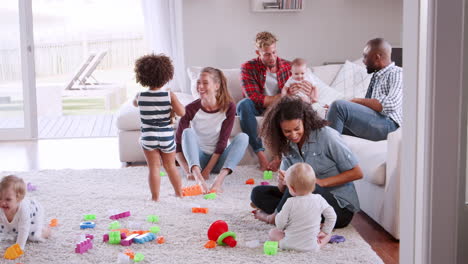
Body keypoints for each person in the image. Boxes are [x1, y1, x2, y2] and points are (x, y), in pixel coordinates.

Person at [250, 96, 363, 228]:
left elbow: (357, 173)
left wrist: (320, 182)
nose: (293, 135)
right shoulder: (286, 144)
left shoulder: (327, 136)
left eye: (297, 128)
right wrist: (282, 183)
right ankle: (298, 219)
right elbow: (285, 190)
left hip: (338, 208)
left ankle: (274, 218)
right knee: (258, 193)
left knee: (306, 186)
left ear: (305, 121)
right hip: (307, 200)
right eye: (287, 131)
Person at [237, 31, 316, 171]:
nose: (272, 57)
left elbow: (302, 88)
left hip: (281, 108)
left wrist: (307, 92)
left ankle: (280, 157)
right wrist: (283, 96)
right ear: (258, 52)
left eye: (274, 52)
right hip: (257, 107)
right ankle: (261, 156)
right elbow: (254, 98)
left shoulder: (288, 66)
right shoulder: (247, 68)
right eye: (267, 54)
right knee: (243, 105)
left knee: (294, 108)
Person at [176, 67, 249, 194]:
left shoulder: (229, 107)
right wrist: (189, 171)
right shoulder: (190, 109)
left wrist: (208, 170)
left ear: (216, 86)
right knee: (187, 132)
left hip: (219, 159)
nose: (200, 86)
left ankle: (218, 182)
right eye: (198, 82)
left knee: (243, 137)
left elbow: (222, 143)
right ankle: (200, 181)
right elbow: (177, 145)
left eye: (205, 82)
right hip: (197, 161)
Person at [326, 38, 402, 141]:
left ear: (377, 57)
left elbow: (391, 104)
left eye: (365, 56)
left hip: (389, 125)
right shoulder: (377, 76)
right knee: (328, 119)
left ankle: (329, 155)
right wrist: (332, 111)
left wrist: (355, 100)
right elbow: (369, 109)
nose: (363, 60)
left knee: (338, 106)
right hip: (378, 122)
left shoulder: (397, 73)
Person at [133, 54, 185, 201]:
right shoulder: (169, 95)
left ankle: (155, 198)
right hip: (166, 136)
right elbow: (182, 112)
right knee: (170, 166)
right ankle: (179, 194)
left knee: (154, 168)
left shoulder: (140, 96)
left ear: (141, 76)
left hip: (148, 137)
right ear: (166, 75)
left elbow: (135, 104)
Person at [268, 163, 337, 252]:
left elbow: (280, 224)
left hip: (288, 244)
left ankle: (286, 243)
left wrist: (282, 228)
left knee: (272, 232)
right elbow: (332, 216)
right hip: (311, 246)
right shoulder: (319, 199)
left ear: (292, 188)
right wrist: (324, 231)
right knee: (328, 235)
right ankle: (319, 244)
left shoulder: (289, 202)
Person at [0, 175, 50, 252]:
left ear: (19, 199)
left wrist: (18, 248)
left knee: (33, 236)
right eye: (0, 198)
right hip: (14, 220)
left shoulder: (24, 210)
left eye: (8, 199)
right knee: (6, 233)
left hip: (34, 214)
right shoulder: (2, 206)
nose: (2, 202)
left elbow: (24, 229)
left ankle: (45, 231)